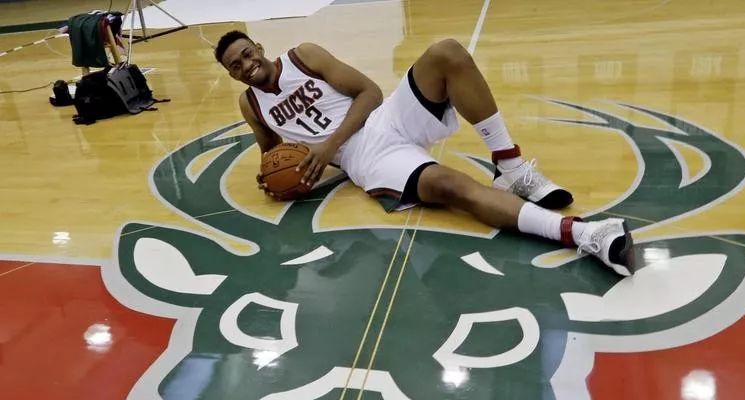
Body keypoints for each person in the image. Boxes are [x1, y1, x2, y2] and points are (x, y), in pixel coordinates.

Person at [214, 31, 635, 276]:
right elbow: (273, 156)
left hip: (383, 118)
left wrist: (327, 146)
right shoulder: (251, 106)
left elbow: (370, 92)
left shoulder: (302, 57)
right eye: (236, 65)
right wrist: (274, 181)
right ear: (232, 75)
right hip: (368, 161)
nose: (246, 64)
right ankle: (584, 234)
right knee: (451, 185)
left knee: (446, 53)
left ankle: (509, 165)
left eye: (247, 53)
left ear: (259, 48)